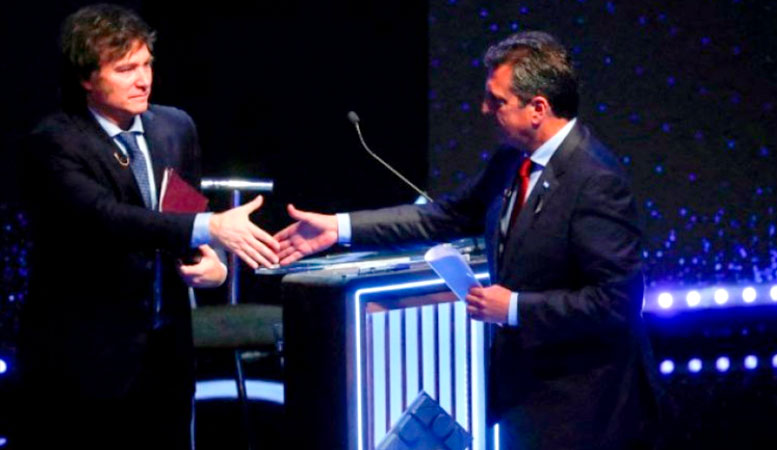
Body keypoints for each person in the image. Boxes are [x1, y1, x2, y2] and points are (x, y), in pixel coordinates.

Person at [276, 31, 660, 449]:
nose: (484, 109)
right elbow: (447, 216)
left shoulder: (595, 179)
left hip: (583, 406)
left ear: (538, 108)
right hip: (524, 393)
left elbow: (617, 301)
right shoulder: (513, 159)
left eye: (497, 101)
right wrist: (339, 227)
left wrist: (513, 307)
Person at [17, 4, 279, 449]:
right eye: (125, 69)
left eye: (146, 65)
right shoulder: (54, 140)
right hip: (86, 358)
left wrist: (211, 262)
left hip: (165, 353)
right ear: (86, 78)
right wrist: (210, 226)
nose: (143, 80)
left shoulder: (175, 127)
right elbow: (106, 218)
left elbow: (179, 213)